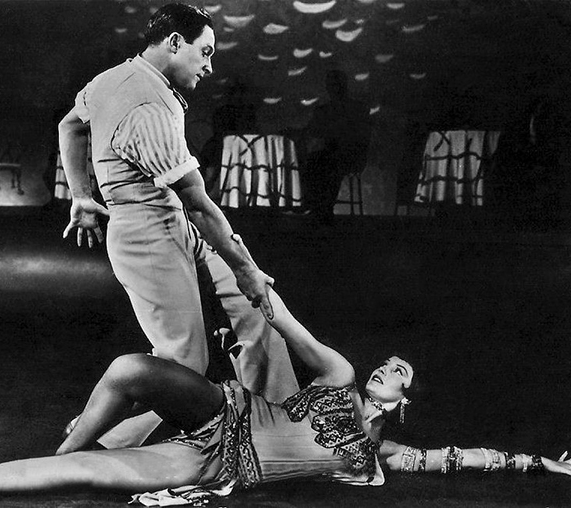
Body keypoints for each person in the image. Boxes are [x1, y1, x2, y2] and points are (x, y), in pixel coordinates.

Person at [0, 283, 571, 504]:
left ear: (404, 401)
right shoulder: (340, 377)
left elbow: (460, 458)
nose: (390, 366)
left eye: (401, 372)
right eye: (390, 362)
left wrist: (539, 464)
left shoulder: (385, 454)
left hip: (221, 464)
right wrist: (253, 286)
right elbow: (288, 324)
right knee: (130, 368)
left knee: (86, 475)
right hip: (226, 409)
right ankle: (59, 449)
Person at [56, 3, 298, 448]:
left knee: (258, 308)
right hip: (146, 235)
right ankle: (100, 440)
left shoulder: (119, 77)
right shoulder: (144, 105)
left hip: (174, 221)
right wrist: (245, 266)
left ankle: (277, 432)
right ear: (174, 43)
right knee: (184, 367)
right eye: (205, 53)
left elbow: (69, 126)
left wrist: (81, 195)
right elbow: (199, 205)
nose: (209, 66)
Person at [298, 69, 371, 225]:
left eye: (334, 85)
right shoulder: (354, 108)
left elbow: (316, 131)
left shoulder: (353, 109)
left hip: (348, 157)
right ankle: (318, 207)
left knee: (322, 162)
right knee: (317, 161)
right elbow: (314, 130)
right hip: (337, 156)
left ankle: (318, 207)